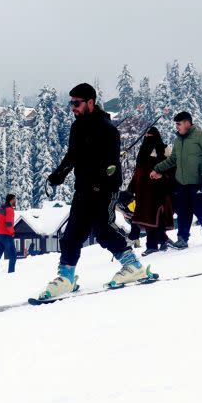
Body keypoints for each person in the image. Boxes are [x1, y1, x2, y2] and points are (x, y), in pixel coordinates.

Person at [39, 83, 152, 299]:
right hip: (83, 188)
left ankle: (133, 265)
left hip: (104, 190)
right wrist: (59, 174)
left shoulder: (107, 129)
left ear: (90, 102)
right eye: (71, 102)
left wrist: (102, 182)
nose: (73, 107)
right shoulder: (77, 127)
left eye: (77, 103)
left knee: (102, 230)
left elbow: (111, 165)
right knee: (72, 234)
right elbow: (73, 154)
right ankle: (66, 277)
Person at [151, 111, 202, 248]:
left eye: (179, 124)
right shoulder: (178, 141)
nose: (177, 127)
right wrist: (157, 168)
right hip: (181, 184)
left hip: (198, 182)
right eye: (176, 124)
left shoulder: (201, 136)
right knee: (183, 213)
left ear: (188, 123)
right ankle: (182, 239)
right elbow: (172, 160)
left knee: (201, 212)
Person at [127, 127, 174, 256]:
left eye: (151, 135)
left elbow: (171, 170)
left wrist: (164, 177)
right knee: (148, 220)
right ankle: (158, 243)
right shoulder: (142, 152)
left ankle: (158, 243)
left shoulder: (165, 150)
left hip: (160, 191)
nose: (148, 138)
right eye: (147, 135)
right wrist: (131, 189)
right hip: (143, 192)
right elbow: (138, 172)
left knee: (157, 219)